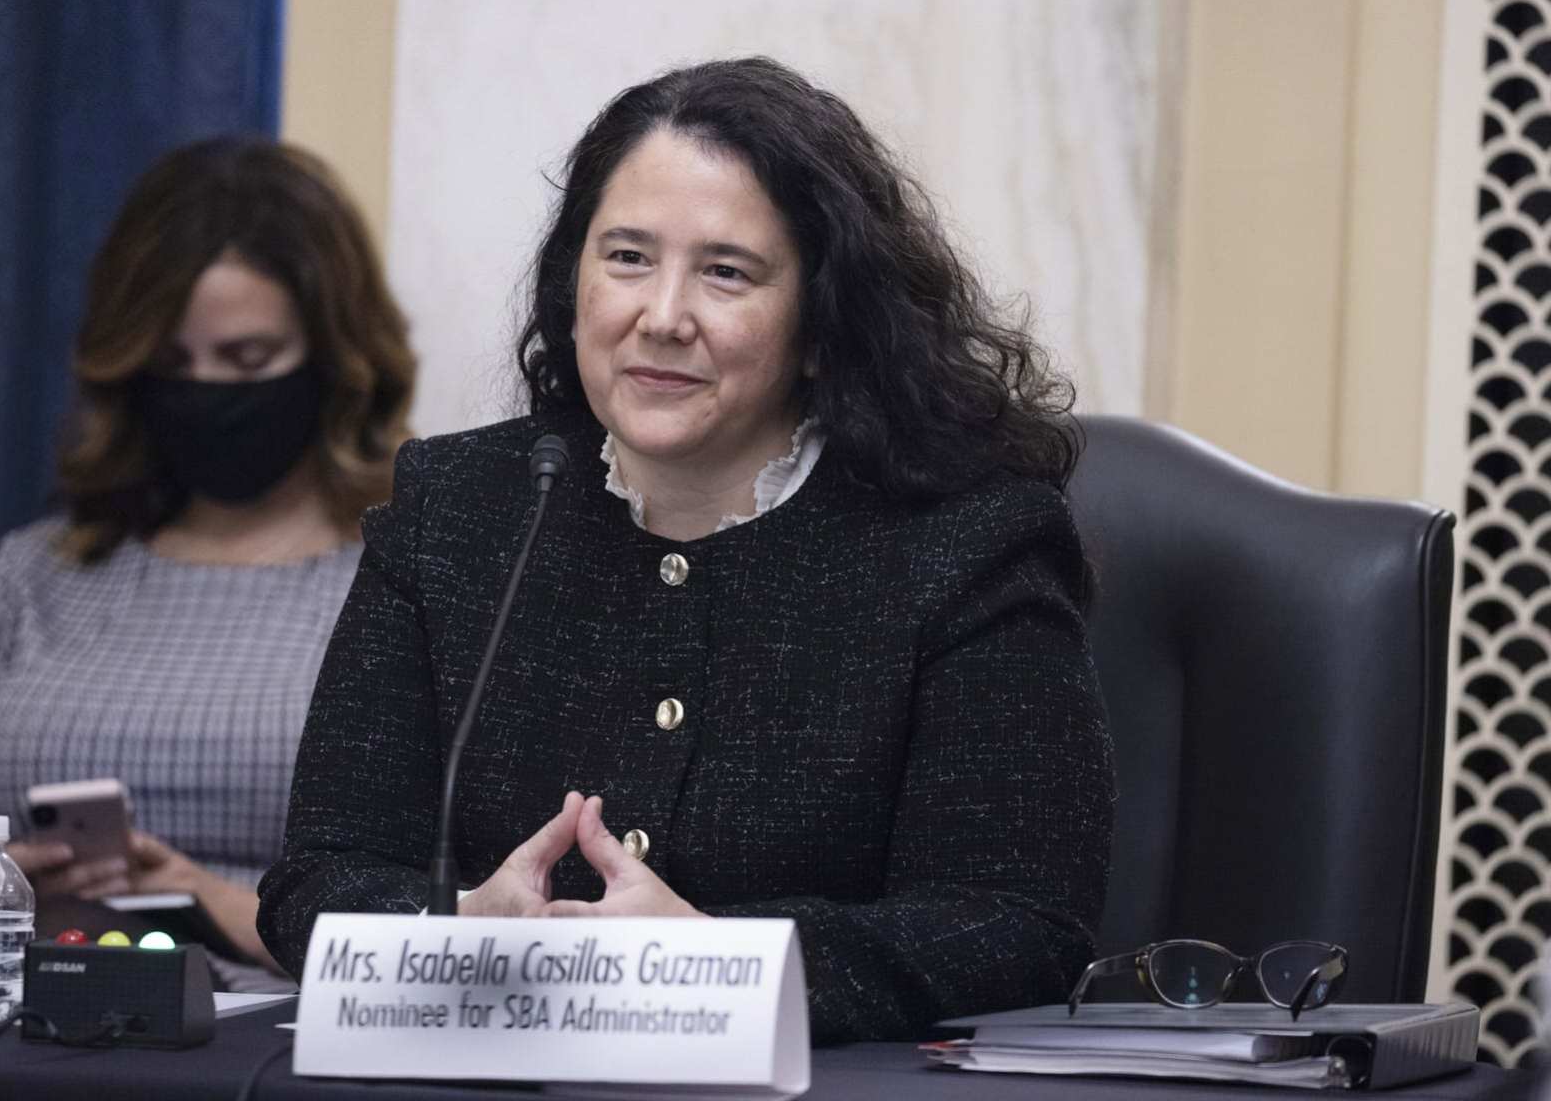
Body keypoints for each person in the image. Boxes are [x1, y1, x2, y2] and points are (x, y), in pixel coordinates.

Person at [257, 58, 1113, 1040]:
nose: (660, 317)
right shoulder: (459, 510)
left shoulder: (965, 541)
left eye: (725, 272)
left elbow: (1017, 926)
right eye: (625, 258)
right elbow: (316, 878)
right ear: (572, 284)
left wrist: (712, 956)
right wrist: (453, 927)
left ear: (821, 320)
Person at [0, 137, 415, 987]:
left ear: (338, 359)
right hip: (19, 1031)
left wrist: (198, 901)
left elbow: (447, 931)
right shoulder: (35, 570)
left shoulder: (408, 574)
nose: (205, 392)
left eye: (249, 361)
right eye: (171, 365)